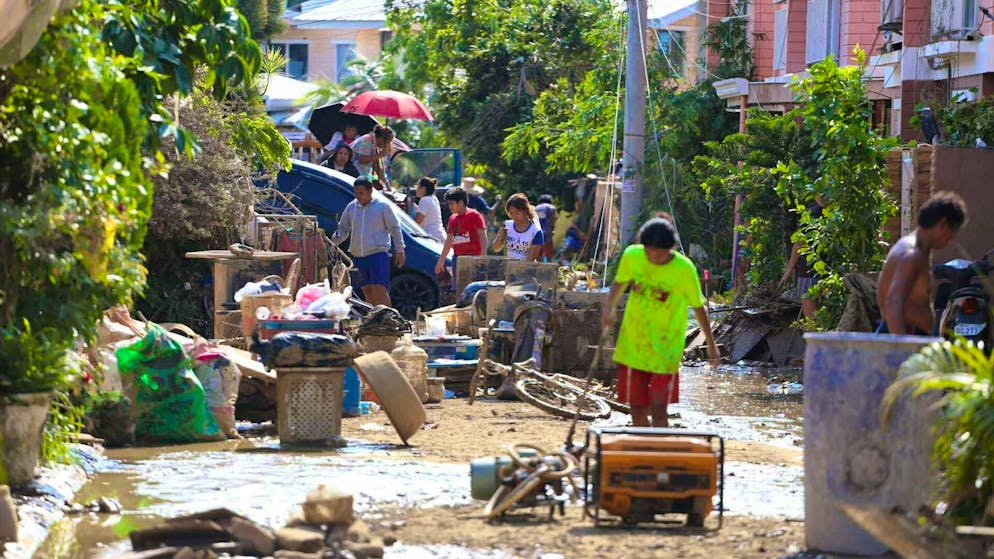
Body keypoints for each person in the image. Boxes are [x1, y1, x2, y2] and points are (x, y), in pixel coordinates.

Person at [601, 216, 720, 428]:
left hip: (666, 348)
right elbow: (619, 283)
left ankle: (660, 448)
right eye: (649, 251)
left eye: (659, 252)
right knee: (636, 407)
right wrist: (608, 307)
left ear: (671, 248)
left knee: (658, 408)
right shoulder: (632, 256)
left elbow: (698, 306)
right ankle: (642, 451)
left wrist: (710, 344)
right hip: (634, 344)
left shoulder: (684, 269)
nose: (653, 257)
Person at [877, 191, 967, 335]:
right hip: (901, 337)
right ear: (942, 224)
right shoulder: (912, 255)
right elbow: (893, 301)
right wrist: (902, 347)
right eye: (951, 234)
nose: (949, 240)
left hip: (909, 335)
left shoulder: (919, 251)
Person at [330, 177, 405, 308]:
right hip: (358, 256)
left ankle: (387, 320)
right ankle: (373, 321)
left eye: (361, 192)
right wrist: (331, 244)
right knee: (367, 290)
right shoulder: (351, 207)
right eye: (356, 192)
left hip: (377, 254)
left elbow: (395, 228)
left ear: (370, 191)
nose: (358, 196)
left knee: (379, 288)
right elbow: (343, 229)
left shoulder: (383, 206)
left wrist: (400, 249)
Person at [779, 197, 824, 319]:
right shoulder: (813, 214)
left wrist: (788, 272)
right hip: (818, 272)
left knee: (811, 317)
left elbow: (798, 244)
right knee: (816, 316)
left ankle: (814, 336)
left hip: (811, 273)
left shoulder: (811, 214)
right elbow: (799, 244)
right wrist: (788, 271)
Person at [435, 187, 488, 277]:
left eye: (452, 204)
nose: (449, 206)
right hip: (457, 258)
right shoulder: (452, 218)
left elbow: (482, 236)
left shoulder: (474, 215)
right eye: (449, 204)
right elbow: (449, 240)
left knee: (473, 287)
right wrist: (441, 260)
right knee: (458, 287)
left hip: (473, 257)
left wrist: (483, 257)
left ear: (461, 203)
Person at [491, 193, 544, 261]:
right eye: (511, 213)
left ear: (525, 210)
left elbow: (530, 260)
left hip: (526, 269)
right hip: (509, 267)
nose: (514, 216)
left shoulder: (536, 232)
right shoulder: (507, 226)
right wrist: (499, 237)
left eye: (517, 213)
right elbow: (495, 249)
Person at [414, 176, 446, 244]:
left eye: (417, 186)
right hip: (441, 236)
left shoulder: (424, 200)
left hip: (433, 238)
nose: (416, 189)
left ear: (423, 188)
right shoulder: (433, 198)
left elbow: (417, 222)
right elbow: (426, 213)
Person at [534, 194, 557, 261]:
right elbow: (552, 220)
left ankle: (537, 266)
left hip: (537, 232)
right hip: (547, 231)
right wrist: (552, 229)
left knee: (538, 252)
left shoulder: (536, 208)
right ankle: (549, 266)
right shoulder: (551, 207)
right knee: (548, 252)